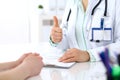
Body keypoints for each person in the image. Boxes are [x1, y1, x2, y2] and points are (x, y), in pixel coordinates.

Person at [50, 0, 120, 62]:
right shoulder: (71, 2)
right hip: (75, 69)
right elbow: (68, 39)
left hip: (103, 68)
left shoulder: (115, 3)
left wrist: (89, 55)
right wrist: (57, 38)